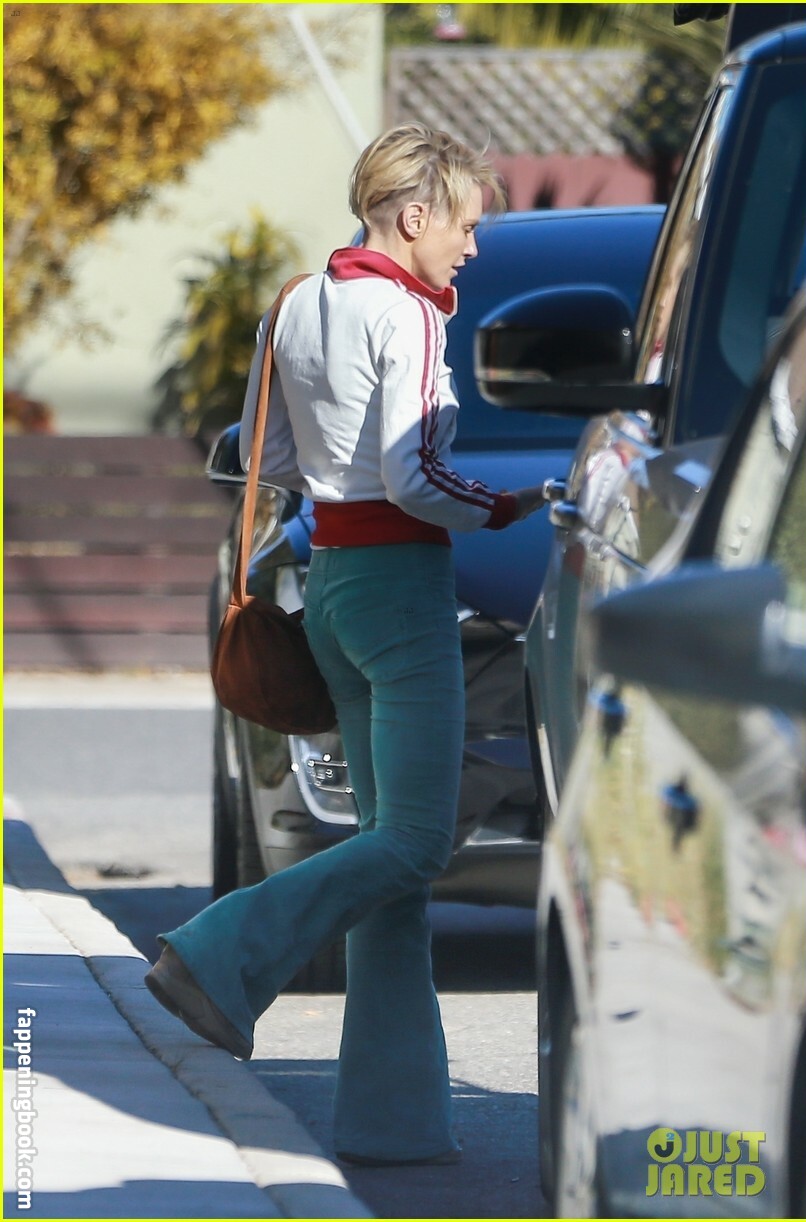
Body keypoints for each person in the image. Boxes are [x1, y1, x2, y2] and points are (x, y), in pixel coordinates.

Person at [145, 123, 546, 1167]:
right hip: (404, 590)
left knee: (392, 870)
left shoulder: (296, 301)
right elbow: (417, 476)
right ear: (414, 216)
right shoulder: (407, 312)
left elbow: (261, 454)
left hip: (331, 586)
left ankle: (393, 1125)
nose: (471, 247)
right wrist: (507, 506)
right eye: (465, 225)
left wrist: (341, 471)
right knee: (415, 843)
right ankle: (217, 952)